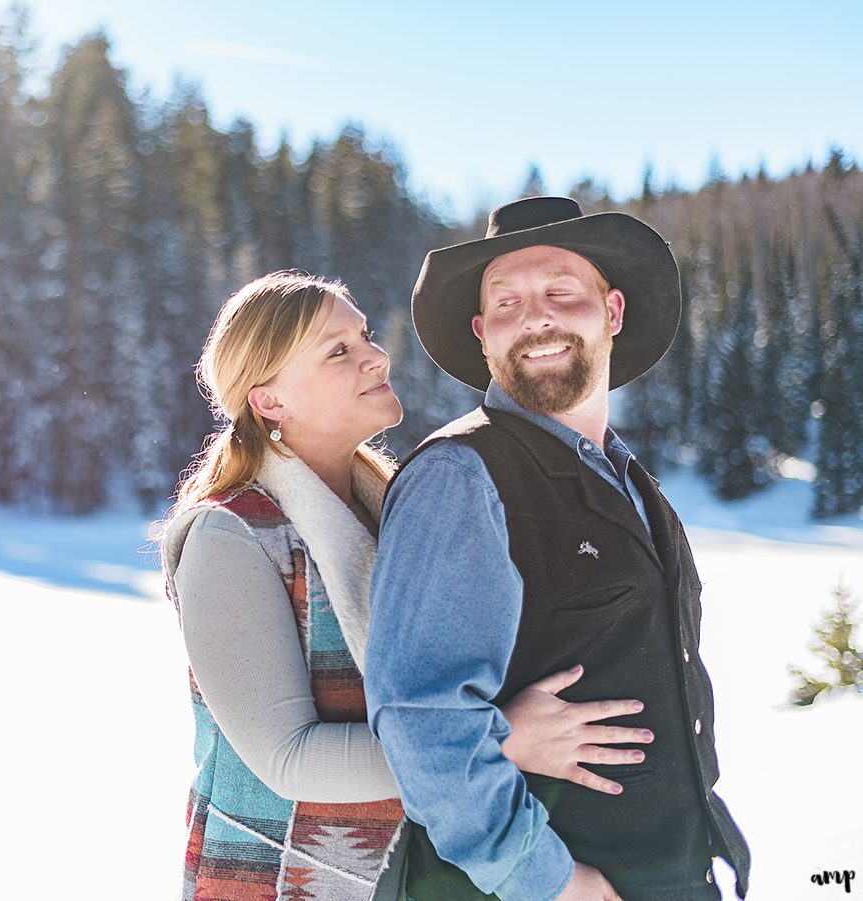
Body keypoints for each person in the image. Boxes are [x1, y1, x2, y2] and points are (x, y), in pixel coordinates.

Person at [161, 270, 660, 901]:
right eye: (338, 351)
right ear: (268, 402)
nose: (375, 355)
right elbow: (288, 759)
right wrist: (500, 740)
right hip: (282, 885)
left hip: (409, 878)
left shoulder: (393, 511)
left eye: (364, 335)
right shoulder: (232, 536)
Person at [364, 197, 752, 901]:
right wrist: (556, 882)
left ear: (613, 311)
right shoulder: (461, 475)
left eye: (559, 292)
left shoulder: (632, 481)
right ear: (483, 334)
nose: (535, 317)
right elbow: (424, 725)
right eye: (507, 302)